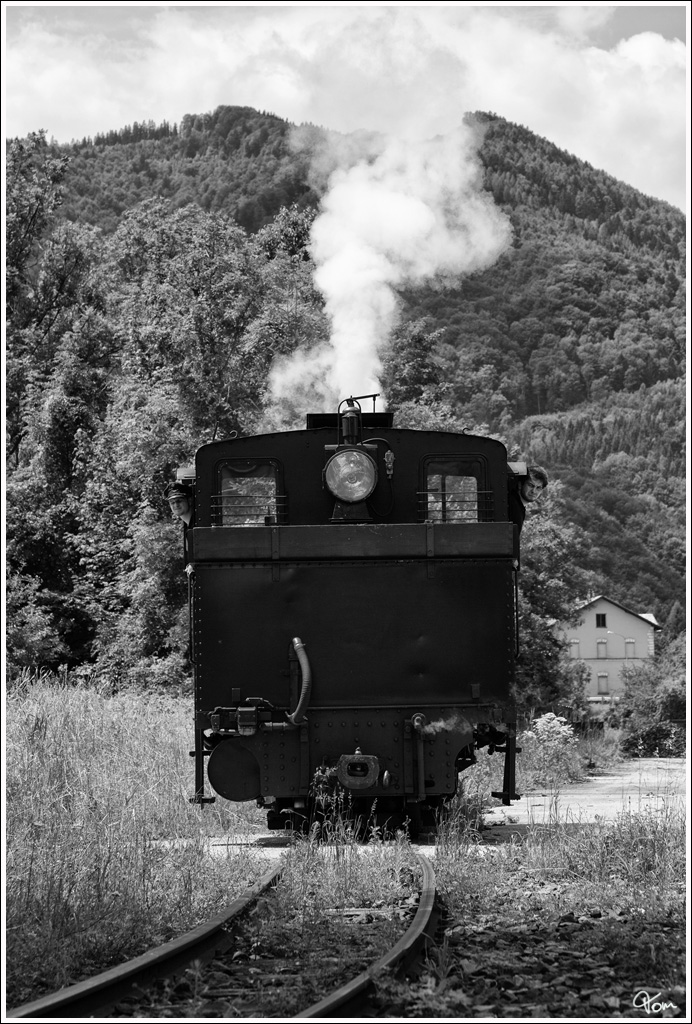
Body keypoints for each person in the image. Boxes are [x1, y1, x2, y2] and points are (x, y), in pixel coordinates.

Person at [509, 465, 548, 533]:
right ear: (520, 485)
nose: (534, 491)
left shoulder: (518, 506)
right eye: (530, 485)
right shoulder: (513, 506)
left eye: (538, 488)